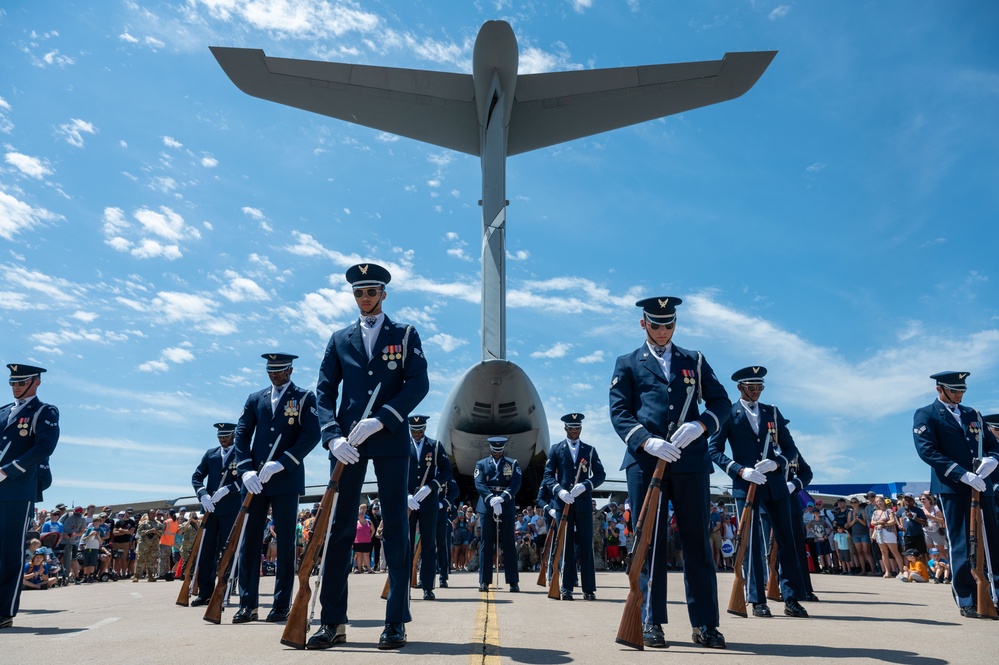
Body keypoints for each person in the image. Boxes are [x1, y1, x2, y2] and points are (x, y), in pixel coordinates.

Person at [311, 263, 429, 650]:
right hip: (348, 443)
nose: (365, 298)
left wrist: (383, 419)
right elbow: (324, 392)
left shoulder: (405, 334)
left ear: (384, 294)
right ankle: (332, 621)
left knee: (395, 526)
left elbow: (418, 383)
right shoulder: (339, 338)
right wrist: (331, 436)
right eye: (359, 293)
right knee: (339, 529)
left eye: (371, 292)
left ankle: (395, 621)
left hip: (390, 436)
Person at [609, 297, 731, 649]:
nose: (663, 331)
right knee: (648, 542)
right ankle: (650, 620)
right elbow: (619, 412)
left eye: (669, 324)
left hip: (691, 461)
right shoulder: (628, 363)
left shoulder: (694, 360)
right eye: (656, 324)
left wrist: (701, 425)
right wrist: (646, 442)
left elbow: (721, 401)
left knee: (697, 544)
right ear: (643, 324)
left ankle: (705, 624)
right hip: (647, 462)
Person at [708, 366, 809, 618]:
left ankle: (791, 597)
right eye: (751, 388)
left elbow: (790, 448)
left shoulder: (772, 412)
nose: (756, 392)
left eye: (759, 388)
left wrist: (777, 463)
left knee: (786, 542)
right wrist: (739, 470)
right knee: (751, 543)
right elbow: (714, 450)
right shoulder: (730, 413)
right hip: (747, 485)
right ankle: (756, 599)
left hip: (775, 486)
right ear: (740, 387)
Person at [233, 353, 321, 624]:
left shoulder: (304, 397)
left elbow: (311, 435)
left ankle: (281, 604)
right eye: (271, 370)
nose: (274, 374)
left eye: (280, 370)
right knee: (249, 542)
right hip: (256, 479)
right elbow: (242, 432)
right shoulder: (255, 398)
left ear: (290, 370)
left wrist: (282, 463)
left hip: (285, 478)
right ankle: (248, 604)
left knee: (284, 543)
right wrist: (245, 468)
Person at [912, 371, 999, 618]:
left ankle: (996, 593)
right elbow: (927, 451)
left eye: (962, 390)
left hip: (982, 483)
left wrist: (992, 460)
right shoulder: (926, 414)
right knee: (961, 542)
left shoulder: (973, 414)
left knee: (992, 539)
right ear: (940, 390)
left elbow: (992, 445)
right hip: (952, 487)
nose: (959, 394)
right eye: (955, 390)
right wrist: (961, 474)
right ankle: (967, 598)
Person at [1, 364, 60, 628]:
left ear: (35, 382)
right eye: (13, 382)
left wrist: (9, 470)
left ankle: (4, 611)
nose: (15, 387)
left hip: (17, 490)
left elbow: (44, 447)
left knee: (9, 552)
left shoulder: (43, 411)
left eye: (21, 382)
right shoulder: (3, 411)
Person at [542, 413, 607, 601]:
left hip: (584, 503)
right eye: (571, 428)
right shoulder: (556, 449)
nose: (574, 431)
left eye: (577, 428)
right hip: (564, 503)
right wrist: (559, 491)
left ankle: (588, 588)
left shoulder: (590, 450)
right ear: (565, 429)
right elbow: (547, 476)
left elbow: (600, 474)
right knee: (566, 545)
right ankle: (567, 587)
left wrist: (585, 485)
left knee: (586, 545)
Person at [189, 422, 243, 607]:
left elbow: (245, 477)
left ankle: (224, 589)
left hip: (231, 510)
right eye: (220, 437)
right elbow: (197, 476)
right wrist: (202, 494)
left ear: (233, 435)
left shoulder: (241, 452)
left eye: (226, 436)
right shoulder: (210, 454)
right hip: (211, 510)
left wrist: (228, 489)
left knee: (228, 551)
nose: (223, 439)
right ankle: (205, 592)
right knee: (206, 552)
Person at [406, 414, 453, 600]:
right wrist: (405, 495)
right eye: (414, 431)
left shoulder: (434, 446)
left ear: (425, 429)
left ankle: (427, 587)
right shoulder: (402, 443)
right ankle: (405, 586)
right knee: (406, 546)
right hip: (409, 502)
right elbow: (394, 472)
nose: (417, 434)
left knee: (428, 546)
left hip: (428, 502)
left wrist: (431, 487)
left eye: (420, 431)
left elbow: (446, 470)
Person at [474, 436, 522, 593]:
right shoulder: (481, 464)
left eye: (499, 450)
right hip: (487, 507)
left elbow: (515, 483)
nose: (497, 453)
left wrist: (502, 498)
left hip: (506, 506)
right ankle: (484, 581)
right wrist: (491, 499)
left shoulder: (512, 463)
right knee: (486, 544)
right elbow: (479, 483)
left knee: (509, 543)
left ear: (503, 450)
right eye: (494, 450)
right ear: (490, 449)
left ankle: (513, 581)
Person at [437, 477, 459, 588]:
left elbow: (454, 512)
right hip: (426, 514)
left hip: (442, 519)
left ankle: (443, 577)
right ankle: (423, 578)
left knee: (443, 548)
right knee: (425, 549)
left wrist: (448, 520)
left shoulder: (445, 475)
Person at [133, 509, 163, 582]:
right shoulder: (143, 523)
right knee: (141, 559)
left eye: (154, 513)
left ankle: (150, 576)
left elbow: (162, 532)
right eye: (151, 513)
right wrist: (149, 531)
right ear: (148, 514)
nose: (153, 515)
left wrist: (157, 532)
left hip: (154, 544)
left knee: (151, 560)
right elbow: (139, 532)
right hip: (144, 545)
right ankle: (136, 576)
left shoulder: (158, 523)